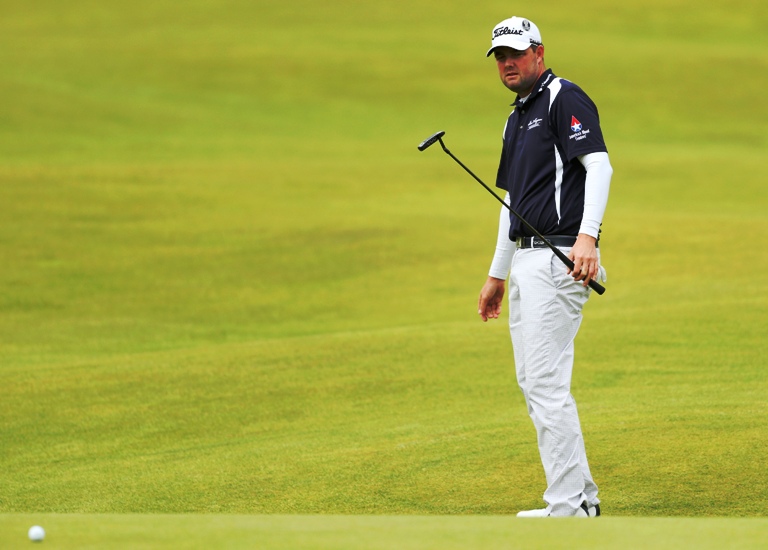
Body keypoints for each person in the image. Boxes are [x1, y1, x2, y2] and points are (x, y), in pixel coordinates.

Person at [477, 16, 613, 518]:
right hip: (527, 263)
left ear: (538, 51)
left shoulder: (563, 97)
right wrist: (496, 273)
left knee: (545, 383)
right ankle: (581, 499)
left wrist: (587, 238)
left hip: (560, 258)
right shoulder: (515, 117)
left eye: (515, 53)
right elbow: (511, 201)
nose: (507, 63)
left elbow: (599, 165)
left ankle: (568, 506)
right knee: (534, 381)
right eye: (499, 57)